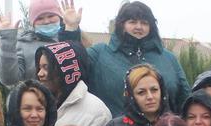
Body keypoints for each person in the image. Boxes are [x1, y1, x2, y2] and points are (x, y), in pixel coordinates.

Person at [58, 1, 189, 118]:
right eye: (132, 22)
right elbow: (70, 66)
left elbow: (185, 98)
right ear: (121, 25)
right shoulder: (100, 54)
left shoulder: (168, 58)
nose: (139, 26)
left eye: (144, 23)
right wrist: (71, 30)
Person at [35, 40, 111, 126]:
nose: (40, 74)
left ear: (66, 70)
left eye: (46, 67)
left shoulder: (98, 112)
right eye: (39, 67)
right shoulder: (37, 103)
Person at [0, 0, 80, 88]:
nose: (46, 21)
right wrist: (7, 39)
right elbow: (9, 79)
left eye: (51, 16)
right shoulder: (23, 44)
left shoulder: (71, 37)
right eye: (40, 18)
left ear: (60, 17)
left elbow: (79, 68)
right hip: (35, 99)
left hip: (67, 100)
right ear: (32, 23)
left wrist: (72, 29)